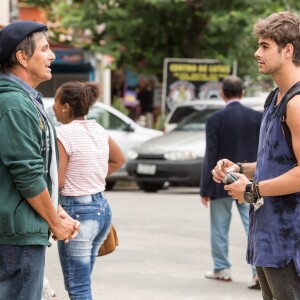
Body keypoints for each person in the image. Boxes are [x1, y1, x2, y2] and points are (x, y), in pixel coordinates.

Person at [211, 11, 300, 300]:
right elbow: (279, 164)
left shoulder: (296, 104)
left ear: (287, 51)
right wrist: (240, 168)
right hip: (267, 236)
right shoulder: (275, 98)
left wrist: (251, 189)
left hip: (289, 241)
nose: (256, 52)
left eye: (264, 46)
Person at [0, 21, 80, 300]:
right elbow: (27, 174)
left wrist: (56, 210)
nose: (52, 55)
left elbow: (38, 170)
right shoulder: (14, 104)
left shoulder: (26, 101)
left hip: (25, 231)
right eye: (45, 49)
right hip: (16, 237)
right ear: (22, 57)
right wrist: (55, 224)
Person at [52, 81, 125, 299]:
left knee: (78, 287)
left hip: (78, 214)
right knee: (82, 282)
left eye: (56, 102)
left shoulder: (63, 134)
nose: (53, 107)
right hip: (101, 210)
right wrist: (92, 177)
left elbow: (60, 182)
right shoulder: (98, 130)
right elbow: (119, 160)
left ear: (65, 106)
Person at [200, 76, 262, 288]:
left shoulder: (214, 119)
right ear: (242, 93)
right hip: (248, 179)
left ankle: (222, 268)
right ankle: (257, 272)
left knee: (219, 227)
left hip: (221, 180)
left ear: (222, 94)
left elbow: (211, 154)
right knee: (252, 226)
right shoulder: (257, 117)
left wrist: (205, 188)